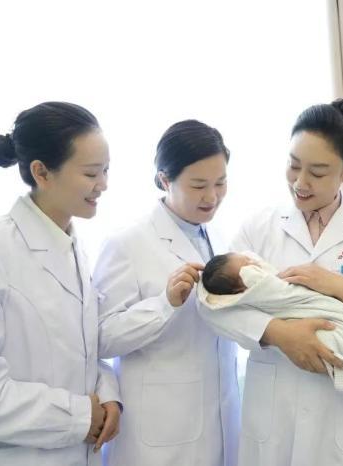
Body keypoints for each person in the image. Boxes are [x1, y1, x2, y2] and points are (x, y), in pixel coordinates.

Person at [198, 98, 343, 465]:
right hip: (277, 412)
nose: (300, 182)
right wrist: (278, 333)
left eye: (317, 172)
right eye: (293, 165)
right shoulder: (258, 227)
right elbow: (212, 306)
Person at [0, 102, 121, 466]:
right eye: (91, 173)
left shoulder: (74, 249)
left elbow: (82, 350)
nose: (103, 185)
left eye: (106, 170)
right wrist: (78, 417)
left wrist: (107, 394)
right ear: (41, 172)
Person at [92, 120, 239, 466]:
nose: (212, 196)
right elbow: (101, 338)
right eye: (198, 185)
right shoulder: (127, 243)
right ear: (164, 180)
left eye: (220, 183)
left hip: (220, 422)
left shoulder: (218, 238)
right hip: (158, 435)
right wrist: (165, 304)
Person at [198, 252, 343, 397]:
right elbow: (211, 305)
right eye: (247, 264)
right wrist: (278, 332)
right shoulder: (253, 231)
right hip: (280, 399)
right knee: (334, 342)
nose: (252, 262)